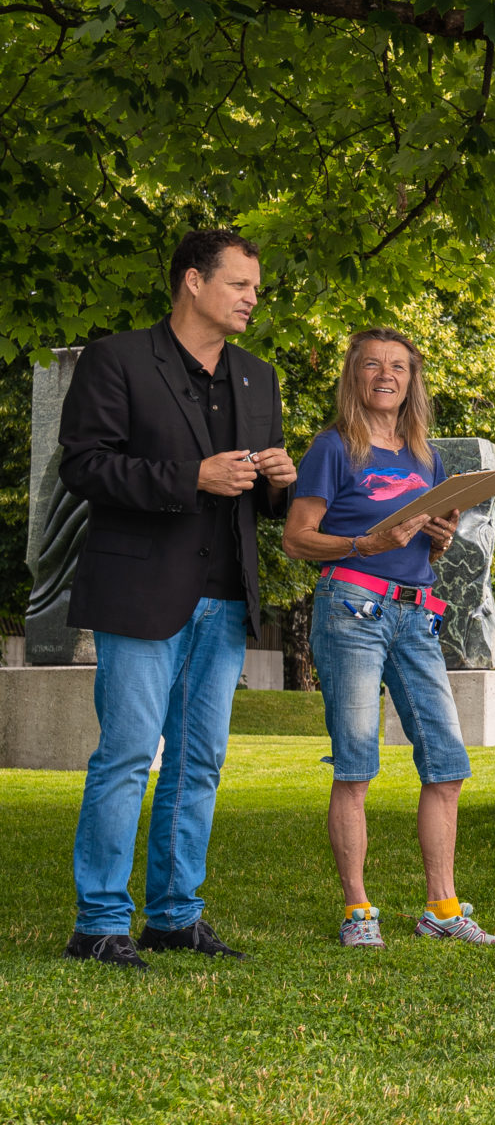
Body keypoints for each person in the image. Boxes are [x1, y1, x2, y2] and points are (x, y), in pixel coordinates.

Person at [57, 229, 297, 967]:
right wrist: (190, 475)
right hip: (140, 593)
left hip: (226, 600)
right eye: (240, 284)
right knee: (127, 755)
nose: (253, 298)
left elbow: (260, 503)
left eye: (257, 287)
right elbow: (85, 468)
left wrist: (282, 483)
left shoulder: (259, 378)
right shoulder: (117, 359)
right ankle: (98, 922)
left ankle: (174, 914)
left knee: (199, 763)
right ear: (192, 281)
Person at [284, 330, 495, 949]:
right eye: (373, 364)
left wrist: (438, 534)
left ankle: (442, 907)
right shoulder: (332, 448)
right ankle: (358, 911)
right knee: (356, 764)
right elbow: (296, 538)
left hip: (416, 617)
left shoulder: (425, 458)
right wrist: (365, 543)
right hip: (351, 607)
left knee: (447, 763)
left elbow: (422, 545)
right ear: (354, 376)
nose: (387, 374)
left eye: (399, 366)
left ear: (412, 381)